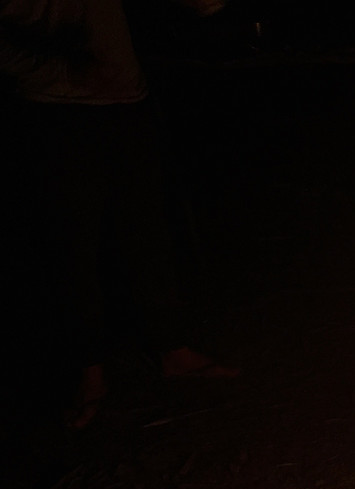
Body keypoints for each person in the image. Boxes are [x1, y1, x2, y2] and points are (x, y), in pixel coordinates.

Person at [0, 0, 233, 429]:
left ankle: (172, 349)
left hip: (125, 103)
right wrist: (49, 68)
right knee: (73, 248)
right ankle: (89, 374)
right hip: (56, 110)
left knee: (147, 232)